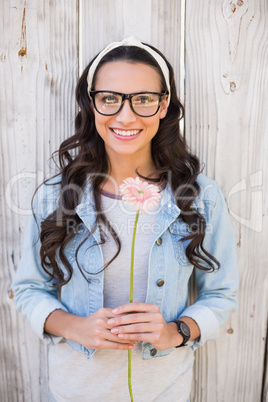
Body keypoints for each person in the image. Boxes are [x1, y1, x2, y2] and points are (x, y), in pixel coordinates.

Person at [12, 37, 239, 402]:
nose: (126, 116)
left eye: (144, 99)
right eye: (110, 98)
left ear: (164, 105)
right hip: (75, 390)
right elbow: (28, 289)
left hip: (164, 390)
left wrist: (176, 331)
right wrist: (76, 327)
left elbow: (221, 294)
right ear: (91, 103)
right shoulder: (57, 195)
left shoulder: (201, 197)